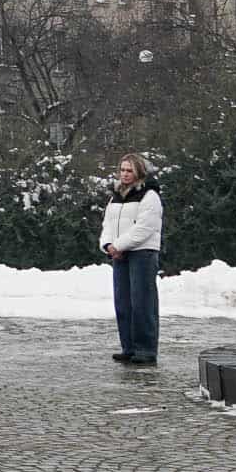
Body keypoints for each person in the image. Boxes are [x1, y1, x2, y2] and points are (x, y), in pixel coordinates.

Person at [100, 152, 164, 367]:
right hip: (119, 253)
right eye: (122, 170)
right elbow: (107, 224)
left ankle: (145, 349)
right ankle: (128, 347)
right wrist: (108, 245)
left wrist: (119, 245)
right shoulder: (115, 196)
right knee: (123, 302)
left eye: (129, 170)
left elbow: (145, 227)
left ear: (139, 172)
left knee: (142, 302)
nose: (125, 174)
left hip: (142, 252)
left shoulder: (149, 195)